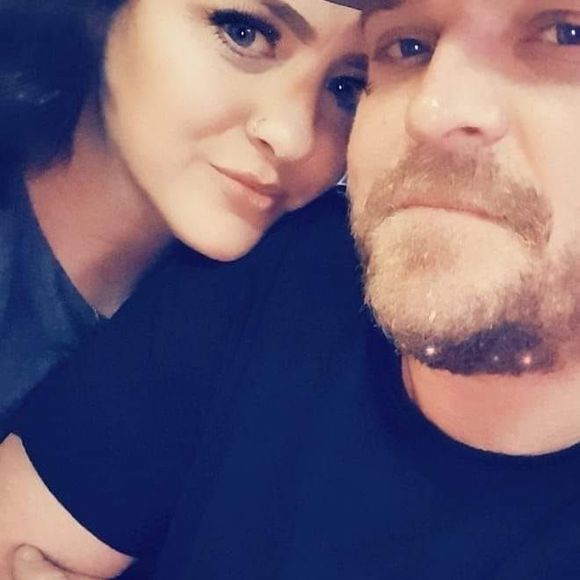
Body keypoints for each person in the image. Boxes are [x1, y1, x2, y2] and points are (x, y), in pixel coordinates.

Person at [6, 0, 580, 578]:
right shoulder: (276, 284)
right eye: (243, 32)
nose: (292, 136)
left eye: (566, 34)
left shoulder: (263, 260)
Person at [0, 0, 367, 436]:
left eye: (347, 87)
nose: (293, 137)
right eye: (243, 33)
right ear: (100, 12)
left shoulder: (297, 308)